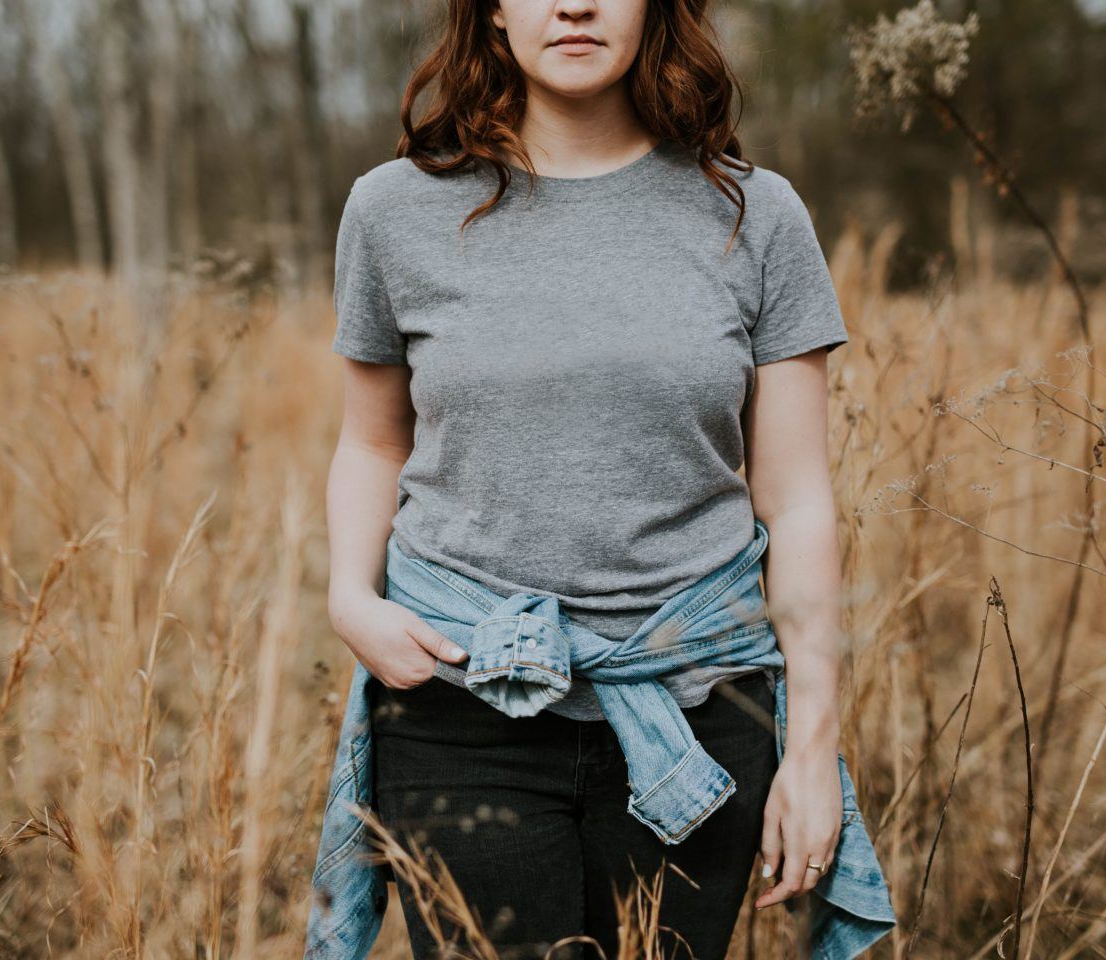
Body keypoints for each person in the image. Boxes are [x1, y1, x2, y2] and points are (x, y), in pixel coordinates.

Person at [315, 0, 886, 957]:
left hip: (699, 706)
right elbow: (372, 443)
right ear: (493, 13)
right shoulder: (392, 209)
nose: (573, 4)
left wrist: (813, 746)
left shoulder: (757, 212)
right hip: (461, 704)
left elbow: (798, 502)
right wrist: (347, 598)